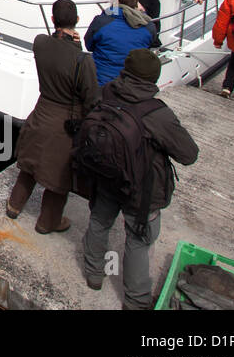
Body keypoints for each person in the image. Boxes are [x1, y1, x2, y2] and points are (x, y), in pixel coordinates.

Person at [81, 49, 199, 309]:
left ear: (126, 70)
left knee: (99, 222)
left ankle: (93, 274)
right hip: (141, 189)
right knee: (139, 241)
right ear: (152, 79)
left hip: (107, 177)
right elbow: (189, 154)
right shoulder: (157, 113)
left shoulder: (106, 92)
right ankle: (136, 301)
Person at [7, 0, 99, 234]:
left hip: (42, 111)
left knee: (29, 166)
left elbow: (53, 46)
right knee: (58, 179)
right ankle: (47, 222)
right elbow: (90, 98)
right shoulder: (83, 60)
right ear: (77, 21)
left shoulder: (40, 43)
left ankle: (14, 205)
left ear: (52, 20)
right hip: (66, 122)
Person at [85, 0, 160, 86]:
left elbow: (89, 45)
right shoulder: (148, 26)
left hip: (101, 81)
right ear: (137, 1)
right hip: (130, 86)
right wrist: (142, 12)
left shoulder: (102, 22)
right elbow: (149, 45)